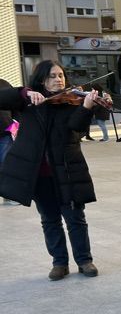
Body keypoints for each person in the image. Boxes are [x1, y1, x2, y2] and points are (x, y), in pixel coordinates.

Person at [0, 61, 100, 279]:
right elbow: (2, 98)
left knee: (75, 218)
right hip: (39, 174)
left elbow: (77, 129)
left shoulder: (72, 101)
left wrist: (86, 108)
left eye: (61, 75)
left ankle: (85, 261)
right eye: (53, 76)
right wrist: (25, 92)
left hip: (67, 169)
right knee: (49, 219)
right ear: (42, 79)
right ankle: (59, 263)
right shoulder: (26, 102)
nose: (59, 79)